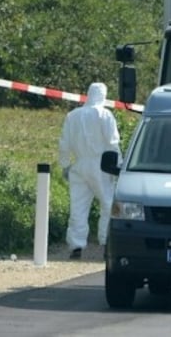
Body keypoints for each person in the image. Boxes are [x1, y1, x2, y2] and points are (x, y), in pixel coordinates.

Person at [58, 83, 121, 259]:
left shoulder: (72, 116)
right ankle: (106, 243)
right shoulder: (105, 115)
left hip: (79, 166)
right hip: (103, 165)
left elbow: (64, 144)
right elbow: (113, 143)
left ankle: (76, 246)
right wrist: (119, 166)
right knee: (107, 204)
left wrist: (65, 165)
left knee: (78, 206)